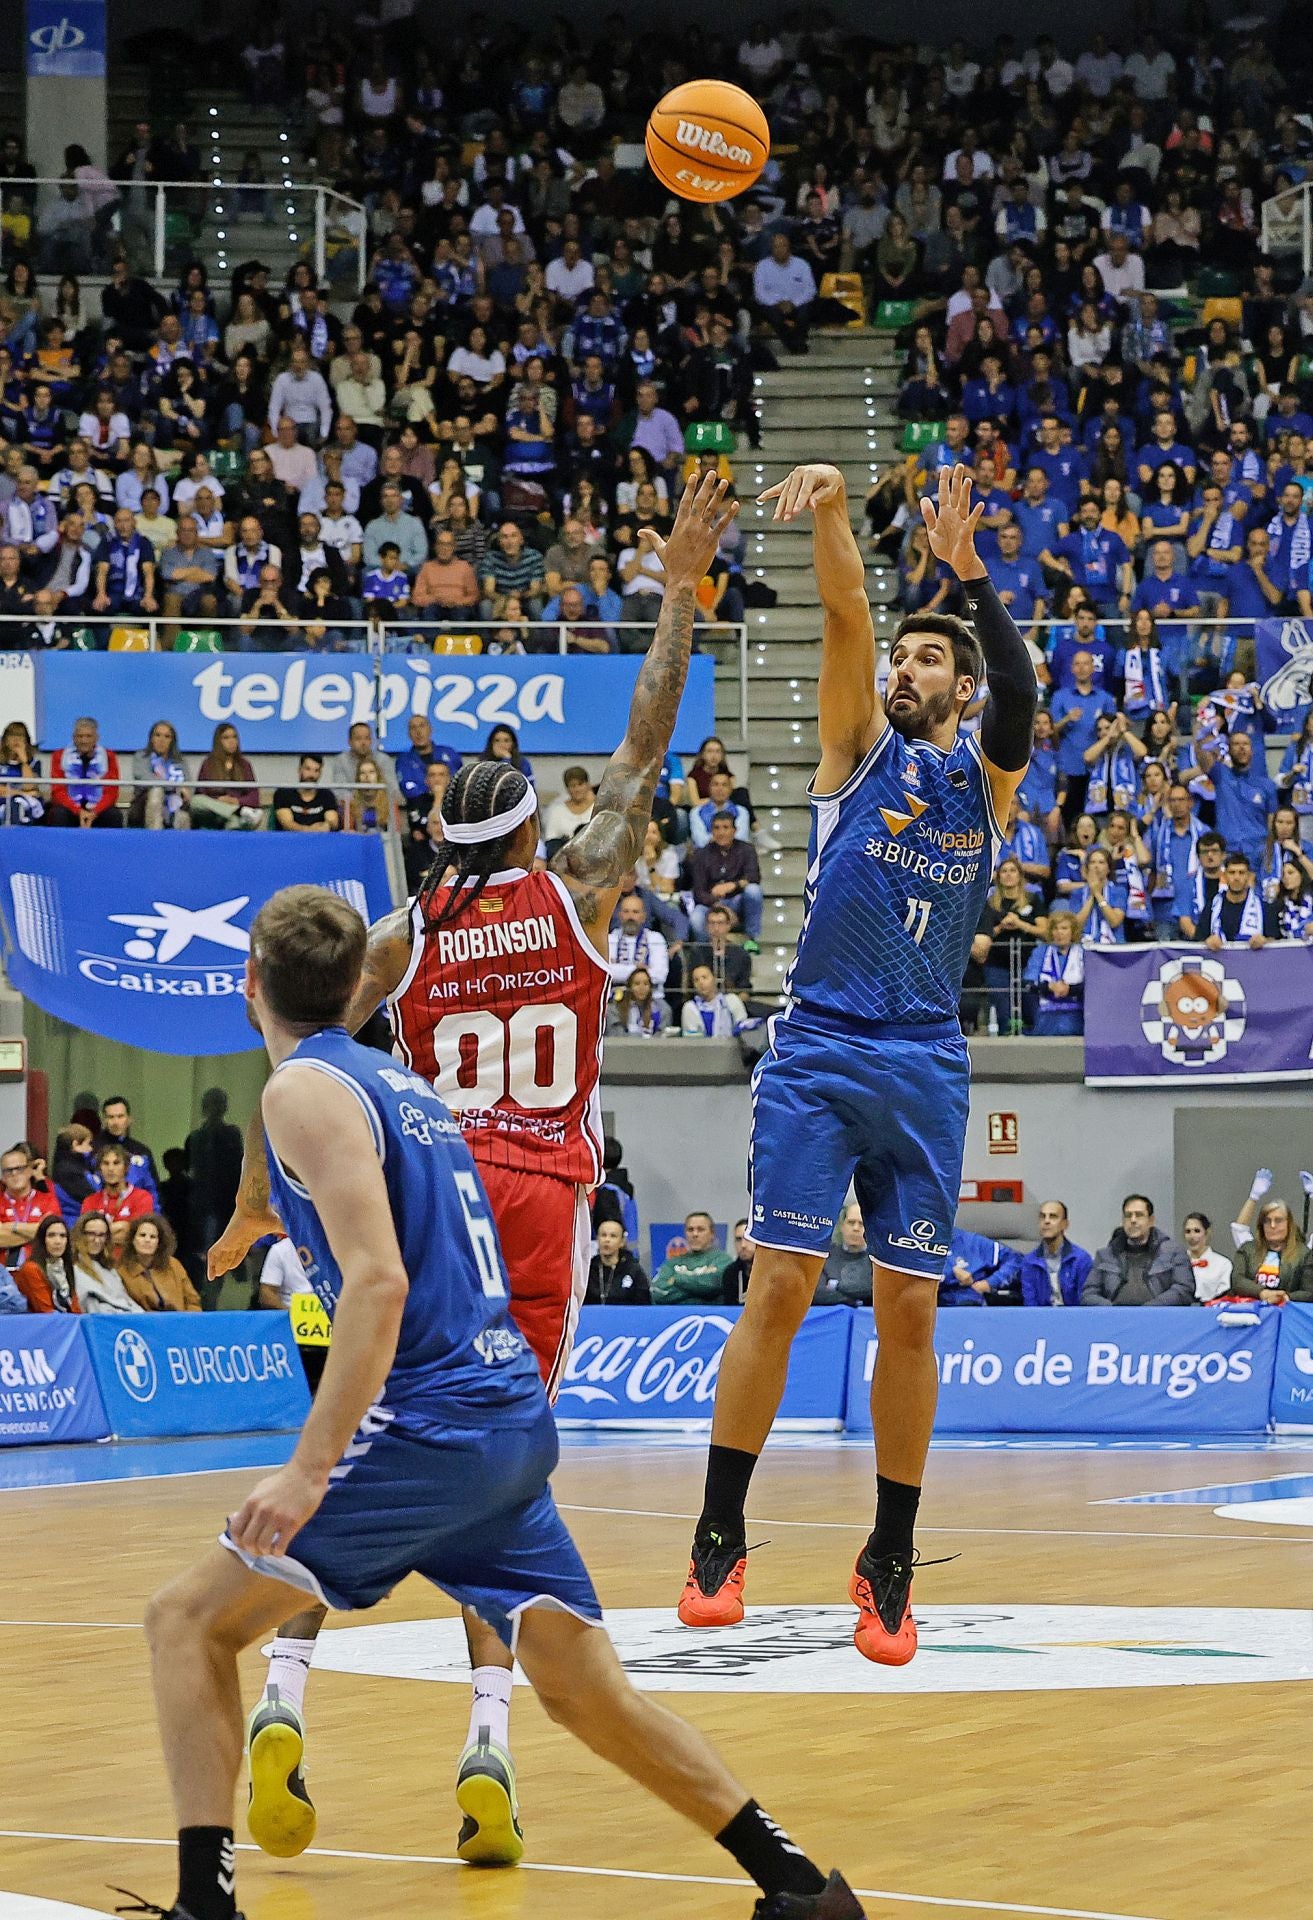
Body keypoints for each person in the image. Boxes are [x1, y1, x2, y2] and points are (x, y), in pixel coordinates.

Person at [142, 885, 864, 1920]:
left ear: (249, 984)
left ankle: (203, 1907)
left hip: (427, 1425)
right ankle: (797, 1886)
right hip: (505, 1417)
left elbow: (378, 1283)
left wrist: (306, 1470)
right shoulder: (407, 1087)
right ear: (353, 987)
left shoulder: (302, 1090)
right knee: (584, 1691)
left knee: (185, 1625)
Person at [209, 473, 742, 1868]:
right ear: (525, 835)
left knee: (358, 1455)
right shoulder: (581, 883)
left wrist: (260, 1203)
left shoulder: (401, 938)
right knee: (494, 1490)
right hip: (538, 1209)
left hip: (424, 1195)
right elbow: (642, 742)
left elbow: (296, 1043)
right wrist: (677, 590)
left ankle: (281, 1690)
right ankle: (488, 1742)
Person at [680, 464, 1036, 1663]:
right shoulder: (855, 747)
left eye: (929, 660)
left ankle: (887, 1555)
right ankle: (718, 1532)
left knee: (909, 1309)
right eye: (903, 656)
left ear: (959, 689)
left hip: (924, 1058)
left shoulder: (983, 784)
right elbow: (843, 612)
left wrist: (968, 577)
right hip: (822, 1047)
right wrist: (834, 512)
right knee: (779, 1286)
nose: (905, 668)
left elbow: (1021, 693)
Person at [1082, 1195, 1195, 1305]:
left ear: (1151, 1220)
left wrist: (1150, 1309)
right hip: (1115, 1316)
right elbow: (1088, 1294)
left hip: (1158, 1315)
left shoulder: (1174, 1253)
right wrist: (1112, 1311)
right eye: (1128, 1215)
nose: (1133, 1220)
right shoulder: (1105, 1255)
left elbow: (1184, 1289)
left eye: (1139, 1215)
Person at [1229, 1172, 1313, 1302]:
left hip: (1286, 1310)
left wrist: (1285, 1297)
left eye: (1278, 1220)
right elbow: (1237, 1280)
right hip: (1250, 1309)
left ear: (1289, 1224)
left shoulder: (1304, 1254)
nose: (1272, 1225)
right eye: (1267, 1221)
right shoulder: (1248, 1249)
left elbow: (1309, 1291)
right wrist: (1262, 1293)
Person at [119, 1213, 202, 1312]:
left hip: (179, 1319)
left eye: (153, 1237)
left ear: (159, 1243)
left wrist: (188, 1319)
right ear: (132, 1240)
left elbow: (193, 1302)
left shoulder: (173, 1265)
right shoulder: (122, 1271)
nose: (147, 1240)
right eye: (142, 1235)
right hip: (143, 1320)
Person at [1017, 1200, 1092, 1306]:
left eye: (1053, 1216)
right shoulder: (1029, 1262)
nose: (1046, 1221)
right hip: (1041, 1316)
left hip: (1074, 1315)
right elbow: (1030, 1304)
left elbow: (1085, 1302)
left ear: (1065, 1224)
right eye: (1043, 1217)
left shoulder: (1081, 1260)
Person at [0, 1141, 60, 1269]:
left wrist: (11, 1227)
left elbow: (53, 1233)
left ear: (29, 1171)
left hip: (41, 1270)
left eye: (20, 1169)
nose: (14, 1174)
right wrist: (37, 1232)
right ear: (3, 1177)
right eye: (9, 1170)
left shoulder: (48, 1200)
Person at [79, 1142, 154, 1244]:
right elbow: (86, 1237)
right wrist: (122, 1226)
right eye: (106, 1163)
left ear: (126, 1167)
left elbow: (136, 1235)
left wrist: (101, 1234)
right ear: (100, 1169)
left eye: (116, 1163)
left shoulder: (142, 1198)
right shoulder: (90, 1202)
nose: (110, 1169)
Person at [652, 1212, 734, 1304]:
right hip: (677, 1313)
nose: (695, 1234)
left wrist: (677, 1279)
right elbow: (657, 1292)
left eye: (701, 1229)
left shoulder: (723, 1260)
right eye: (690, 1230)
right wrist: (700, 1291)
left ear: (712, 1233)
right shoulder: (672, 1263)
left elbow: (714, 1284)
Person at [71, 1211, 140, 1313]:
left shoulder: (110, 1269)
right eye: (91, 1234)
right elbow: (92, 1306)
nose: (97, 1240)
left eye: (101, 1235)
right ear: (80, 1235)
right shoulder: (74, 1269)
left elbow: (125, 1301)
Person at [97, 1094, 160, 1201]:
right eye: (111, 1117)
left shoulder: (141, 1151)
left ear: (129, 1119)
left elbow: (153, 1189)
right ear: (104, 1120)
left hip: (137, 1207)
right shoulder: (93, 1149)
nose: (116, 1122)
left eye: (120, 1116)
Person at [13, 1214, 81, 1313]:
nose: (58, 1241)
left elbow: (75, 1309)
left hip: (65, 1320)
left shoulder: (66, 1267)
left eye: (62, 1236)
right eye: (51, 1235)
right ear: (42, 1240)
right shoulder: (31, 1268)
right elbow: (46, 1311)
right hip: (44, 1321)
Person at [813, 1203, 875, 1306]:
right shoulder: (826, 1255)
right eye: (851, 1222)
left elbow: (874, 1291)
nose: (856, 1228)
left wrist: (836, 1286)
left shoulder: (877, 1260)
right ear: (842, 1226)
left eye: (861, 1224)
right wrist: (855, 1301)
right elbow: (817, 1293)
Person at [585, 1218, 651, 1303]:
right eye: (603, 1235)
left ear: (622, 1241)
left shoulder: (633, 1270)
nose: (607, 1240)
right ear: (597, 1239)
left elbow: (644, 1303)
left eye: (613, 1236)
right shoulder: (588, 1269)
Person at [681, 962, 748, 1037]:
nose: (701, 982)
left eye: (704, 977)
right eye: (696, 980)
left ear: (714, 978)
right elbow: (692, 1039)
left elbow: (744, 1029)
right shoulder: (690, 1008)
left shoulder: (732, 1000)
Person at [1182, 1212, 1233, 1304]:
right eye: (1188, 1231)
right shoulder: (1176, 1263)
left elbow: (1224, 1296)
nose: (1192, 1236)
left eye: (1197, 1231)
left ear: (1207, 1232)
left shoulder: (1223, 1264)